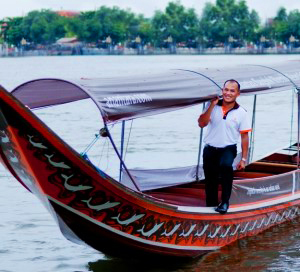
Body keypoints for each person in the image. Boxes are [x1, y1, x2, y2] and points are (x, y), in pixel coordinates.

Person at [198, 79, 251, 214]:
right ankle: (211, 206)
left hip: (228, 148)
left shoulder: (242, 112)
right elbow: (202, 124)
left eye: (232, 90)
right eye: (226, 89)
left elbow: (244, 136)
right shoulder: (212, 106)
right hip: (210, 148)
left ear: (238, 94)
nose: (228, 93)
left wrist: (243, 159)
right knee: (210, 178)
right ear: (222, 91)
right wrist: (211, 106)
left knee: (226, 166)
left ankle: (225, 201)